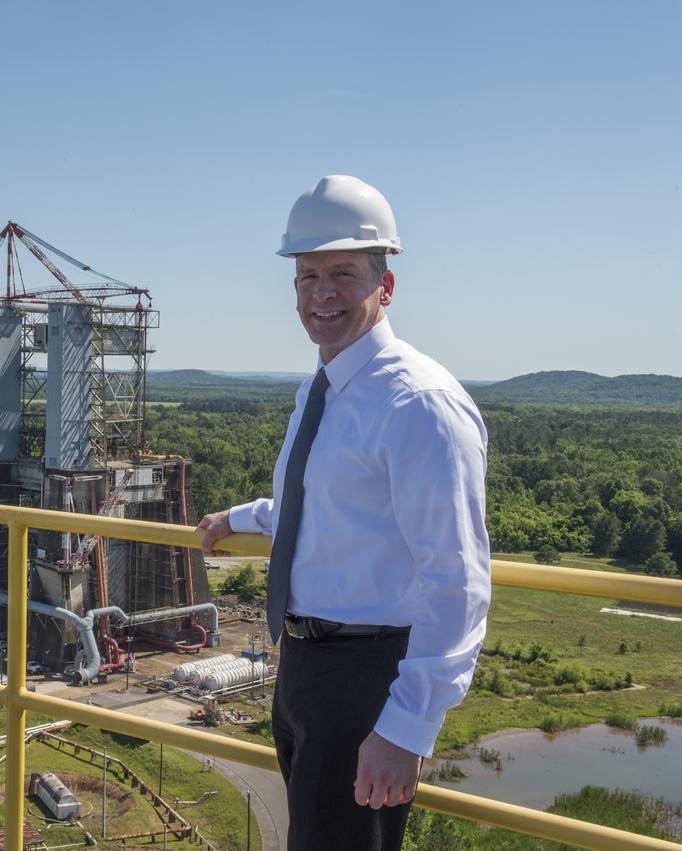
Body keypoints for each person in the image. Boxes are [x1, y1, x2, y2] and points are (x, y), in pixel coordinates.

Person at [198, 175, 490, 850]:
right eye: (305, 276)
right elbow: (324, 501)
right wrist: (241, 516)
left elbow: (458, 579)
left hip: (367, 676)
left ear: (384, 287)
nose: (319, 293)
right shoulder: (322, 385)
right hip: (303, 665)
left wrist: (405, 726)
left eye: (341, 274)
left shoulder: (418, 403)